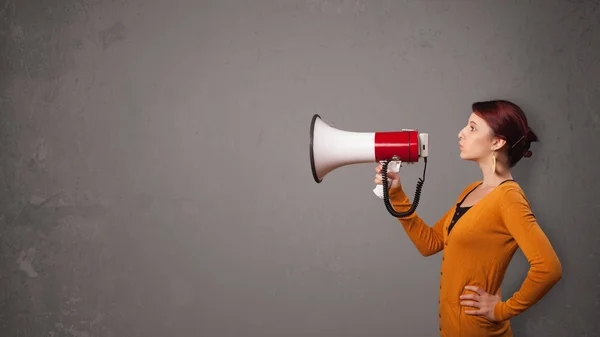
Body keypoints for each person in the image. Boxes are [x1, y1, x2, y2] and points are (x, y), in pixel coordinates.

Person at [374, 100, 562, 337]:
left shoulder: (509, 198)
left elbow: (549, 268)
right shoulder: (472, 190)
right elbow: (429, 243)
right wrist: (396, 195)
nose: (461, 133)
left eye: (472, 127)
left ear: (497, 142)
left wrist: (503, 310)